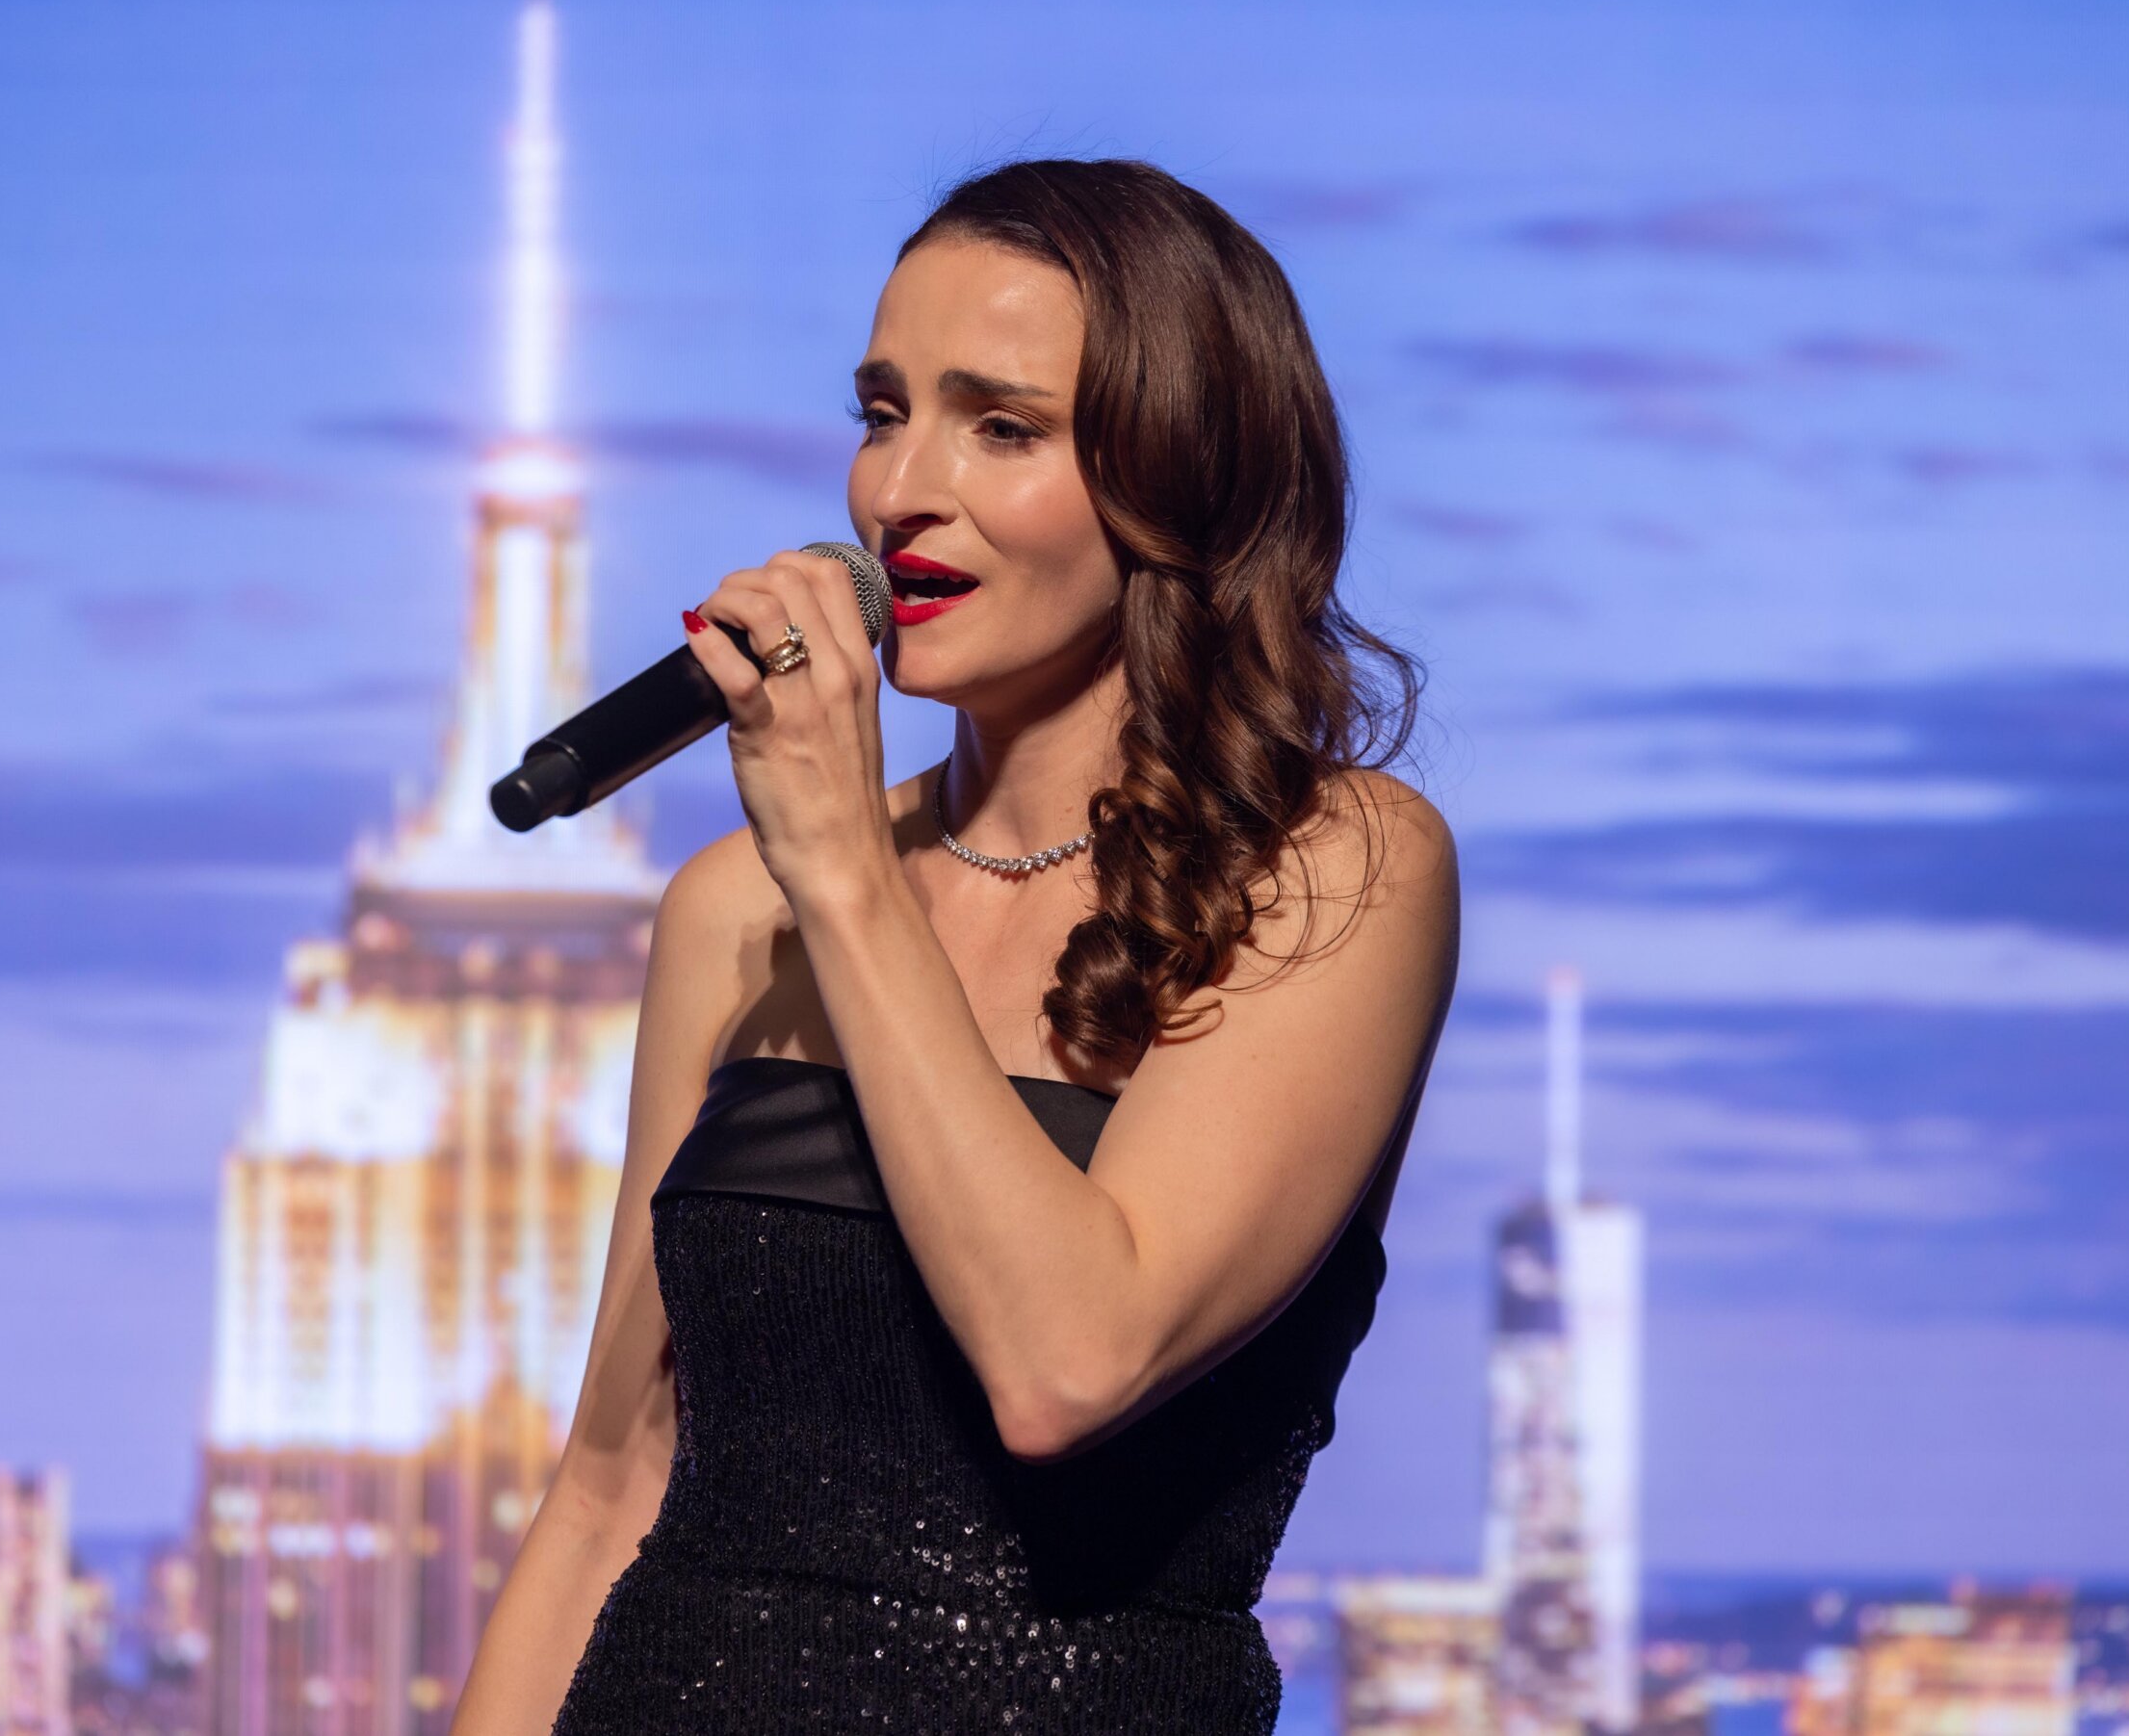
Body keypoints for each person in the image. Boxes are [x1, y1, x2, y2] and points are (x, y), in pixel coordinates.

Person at [451, 156, 1460, 1735]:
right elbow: (606, 1491)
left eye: (1002, 427)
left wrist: (845, 871)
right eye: (882, 413)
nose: (898, 489)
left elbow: (1070, 1361)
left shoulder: (1334, 870)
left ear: (1178, 475)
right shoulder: (733, 909)